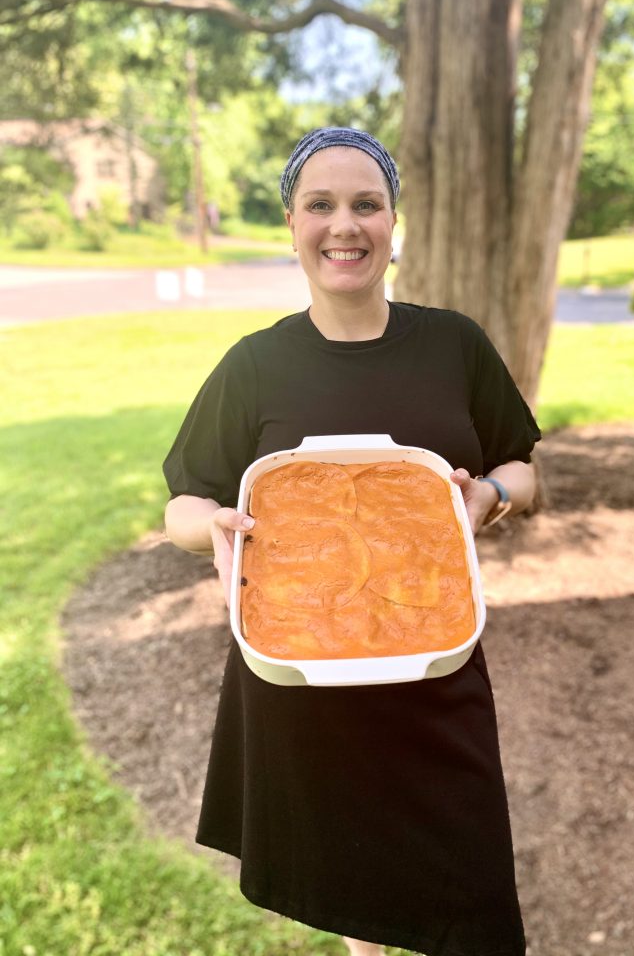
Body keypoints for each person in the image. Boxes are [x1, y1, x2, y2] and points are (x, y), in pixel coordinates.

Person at [163, 126, 541, 956]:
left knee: (469, 901)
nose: (346, 226)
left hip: (435, 664)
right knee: (356, 910)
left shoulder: (454, 344)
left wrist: (490, 497)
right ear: (292, 224)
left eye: (366, 204)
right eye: (321, 205)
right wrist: (213, 529)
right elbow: (184, 500)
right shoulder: (253, 365)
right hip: (302, 677)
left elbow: (521, 465)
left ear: (393, 221)